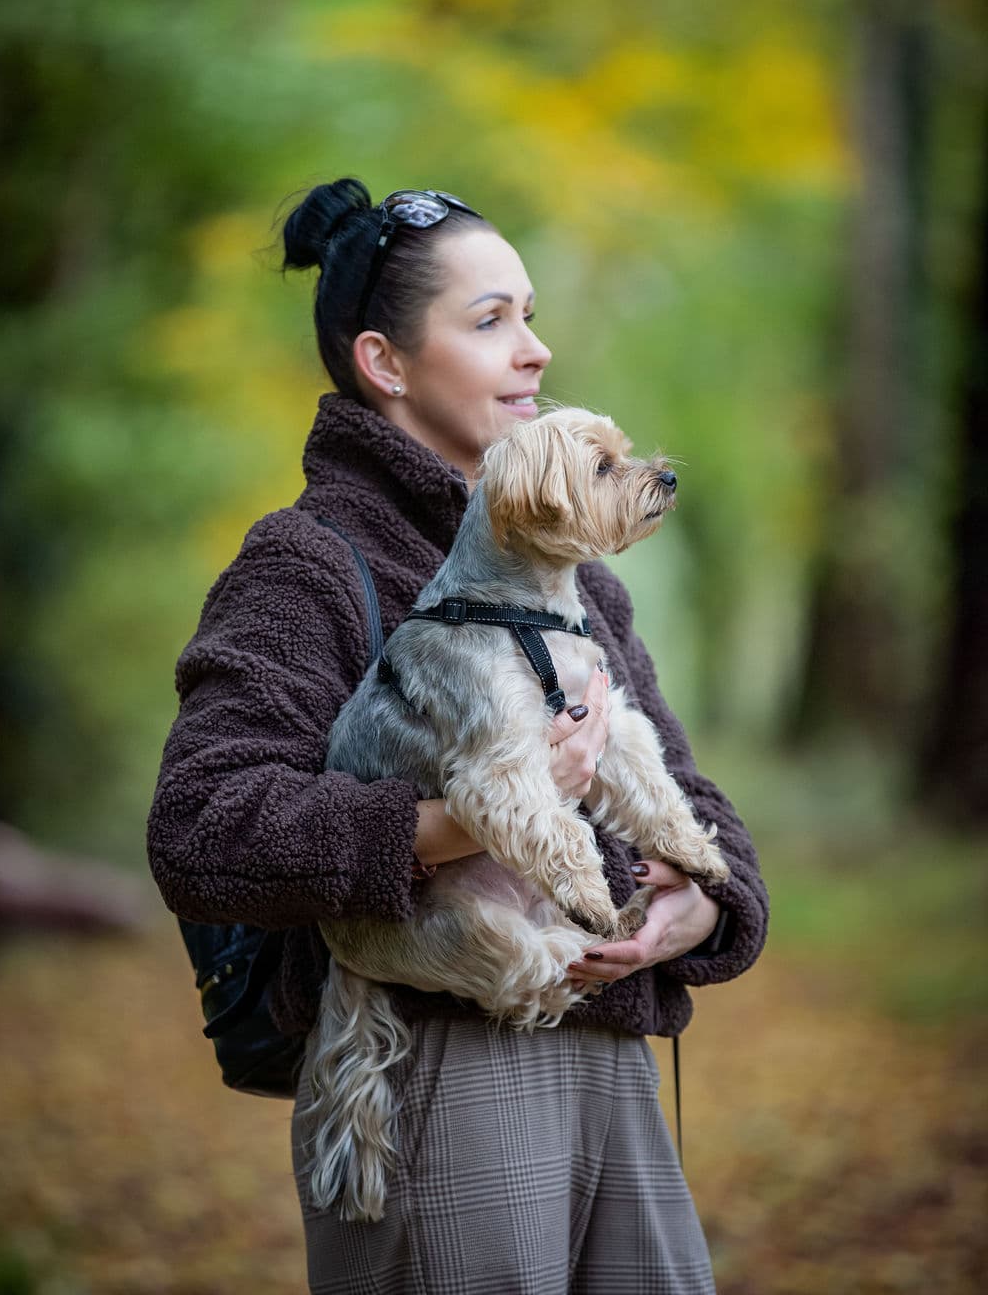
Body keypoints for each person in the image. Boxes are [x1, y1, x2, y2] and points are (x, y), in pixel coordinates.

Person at [147, 178, 769, 1294]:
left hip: (610, 1051)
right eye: (491, 323)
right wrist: (448, 828)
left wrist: (704, 898)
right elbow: (203, 830)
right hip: (440, 1064)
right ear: (385, 362)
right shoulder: (309, 562)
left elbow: (676, 779)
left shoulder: (571, 575)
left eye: (529, 315)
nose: (533, 351)